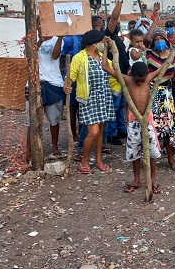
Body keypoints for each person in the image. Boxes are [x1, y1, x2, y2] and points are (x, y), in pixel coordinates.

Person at [66, 30, 114, 174]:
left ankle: (99, 160)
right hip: (89, 98)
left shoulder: (102, 57)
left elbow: (111, 71)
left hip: (104, 96)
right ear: (94, 43)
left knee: (101, 131)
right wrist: (66, 85)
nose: (102, 44)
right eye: (101, 42)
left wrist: (106, 47)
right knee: (93, 132)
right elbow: (71, 75)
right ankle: (84, 161)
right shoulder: (79, 58)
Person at [146, 27, 175, 171]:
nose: (159, 42)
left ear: (166, 40)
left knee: (169, 129)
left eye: (161, 39)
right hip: (150, 95)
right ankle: (149, 161)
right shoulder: (147, 55)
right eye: (156, 40)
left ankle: (171, 160)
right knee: (151, 130)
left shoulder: (173, 56)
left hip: (166, 96)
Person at [121, 62, 166, 195]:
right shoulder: (128, 80)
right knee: (134, 151)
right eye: (138, 80)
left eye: (142, 80)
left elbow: (163, 67)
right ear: (132, 75)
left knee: (152, 151)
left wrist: (174, 49)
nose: (140, 83)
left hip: (148, 120)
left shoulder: (148, 78)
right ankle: (136, 179)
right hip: (134, 121)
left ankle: (152, 179)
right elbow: (106, 67)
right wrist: (106, 47)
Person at [32, 21, 65, 158]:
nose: (42, 27)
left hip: (53, 83)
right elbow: (28, 54)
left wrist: (61, 37)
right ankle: (31, 150)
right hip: (35, 84)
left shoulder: (58, 40)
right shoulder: (33, 40)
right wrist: (40, 40)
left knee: (54, 119)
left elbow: (55, 56)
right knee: (32, 119)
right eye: (39, 25)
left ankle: (55, 147)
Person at [105, 0, 129, 145]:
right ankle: (111, 133)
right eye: (116, 24)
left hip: (123, 76)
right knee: (114, 106)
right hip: (114, 77)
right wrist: (120, 1)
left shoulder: (117, 38)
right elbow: (114, 18)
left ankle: (121, 129)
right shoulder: (108, 33)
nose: (118, 24)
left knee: (121, 105)